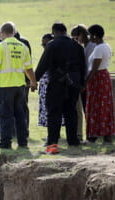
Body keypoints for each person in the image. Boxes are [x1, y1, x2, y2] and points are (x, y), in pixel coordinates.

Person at [35, 22, 85, 153]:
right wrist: (82, 84)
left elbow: (43, 65)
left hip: (57, 83)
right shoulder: (77, 45)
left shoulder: (52, 45)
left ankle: (53, 143)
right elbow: (83, 66)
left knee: (54, 113)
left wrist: (34, 80)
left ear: (55, 33)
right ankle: (73, 141)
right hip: (73, 83)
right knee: (71, 112)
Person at [0, 22, 37, 149]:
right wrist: (33, 82)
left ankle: (5, 143)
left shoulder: (0, 46)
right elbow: (29, 69)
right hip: (20, 87)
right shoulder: (23, 46)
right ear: (14, 32)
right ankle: (23, 142)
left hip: (5, 87)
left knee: (4, 115)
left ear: (2, 33)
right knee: (20, 115)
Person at [84, 24, 115, 144]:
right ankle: (105, 136)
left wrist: (86, 83)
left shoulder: (99, 48)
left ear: (95, 35)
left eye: (90, 34)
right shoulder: (105, 46)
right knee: (104, 106)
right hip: (103, 77)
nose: (89, 37)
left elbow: (94, 68)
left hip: (98, 79)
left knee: (97, 106)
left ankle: (94, 136)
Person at [72, 24, 95, 142]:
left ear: (81, 35)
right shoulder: (85, 46)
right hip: (84, 81)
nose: (76, 41)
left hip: (89, 81)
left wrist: (85, 83)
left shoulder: (91, 47)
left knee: (89, 109)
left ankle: (92, 135)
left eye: (77, 38)